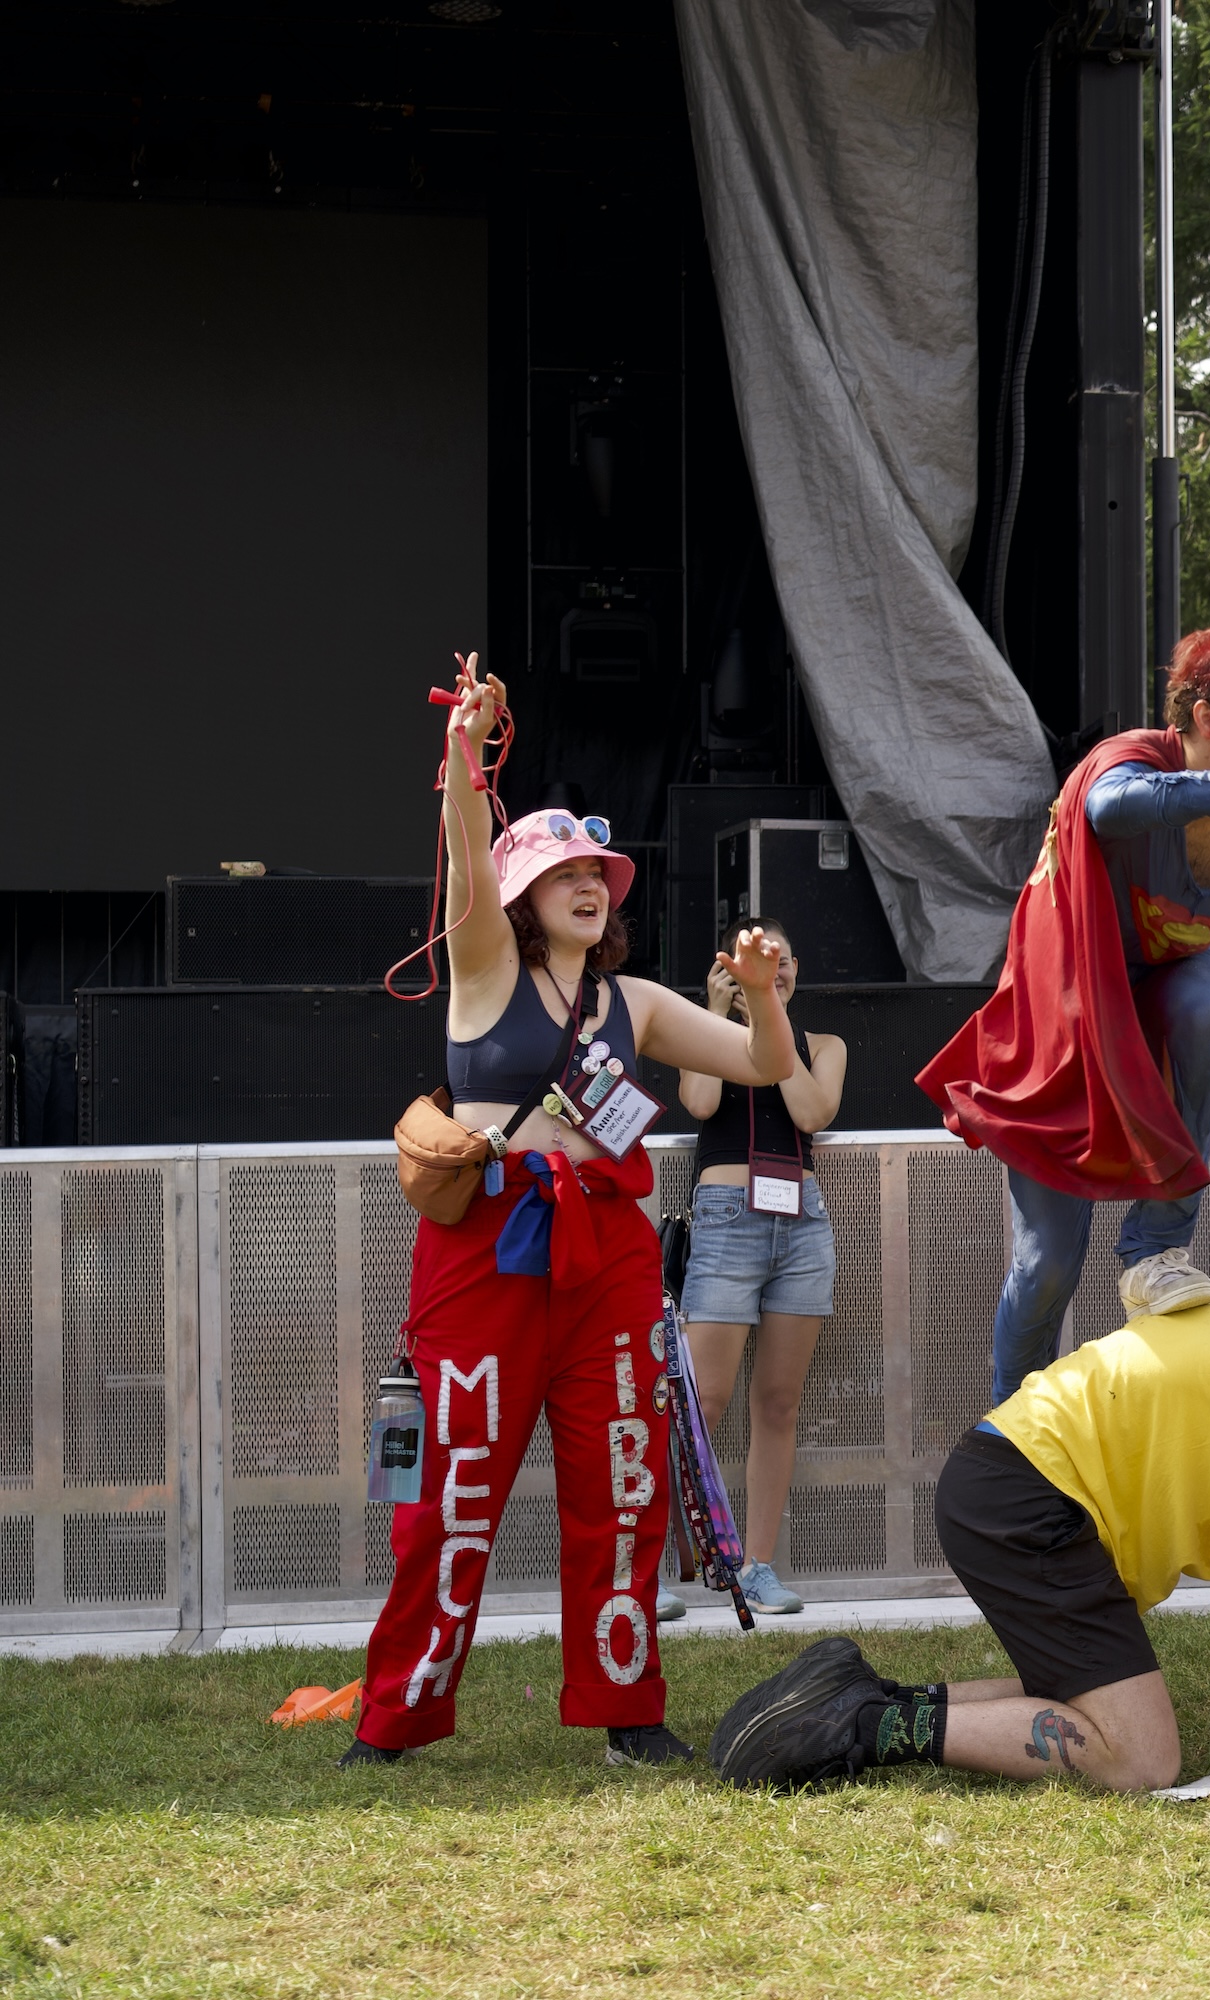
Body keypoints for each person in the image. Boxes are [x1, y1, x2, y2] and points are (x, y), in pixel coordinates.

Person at [346, 656, 799, 1768]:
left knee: (626, 1482)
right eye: (566, 872)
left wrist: (766, 995)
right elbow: (463, 857)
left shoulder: (635, 1000)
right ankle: (395, 1720)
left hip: (609, 1258)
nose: (592, 884)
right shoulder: (486, 967)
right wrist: (466, 748)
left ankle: (629, 1713)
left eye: (600, 871)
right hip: (486, 1246)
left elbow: (757, 1062)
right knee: (450, 1494)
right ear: (523, 895)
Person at [708, 1305, 1210, 1794]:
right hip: (1029, 1498)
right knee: (1141, 1759)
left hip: (1018, 1482)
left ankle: (857, 1691)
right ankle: (857, 1726)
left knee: (1093, 1699)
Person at [918, 624, 1210, 1398]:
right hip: (1070, 1015)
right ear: (1207, 717)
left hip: (1172, 978)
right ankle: (1015, 1428)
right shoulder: (1131, 759)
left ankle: (1159, 1244)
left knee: (1203, 1000)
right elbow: (1112, 808)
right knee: (1046, 1265)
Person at [670, 916, 849, 1620]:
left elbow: (810, 1109)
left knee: (778, 1401)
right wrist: (716, 1015)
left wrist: (769, 1014)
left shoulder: (824, 1044)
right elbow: (700, 1102)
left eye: (779, 963)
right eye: (753, 964)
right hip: (725, 1215)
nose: (768, 973)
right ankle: (647, 1569)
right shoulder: (702, 1030)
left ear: (795, 969)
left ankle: (759, 1566)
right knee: (699, 1401)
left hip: (800, 1221)